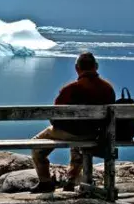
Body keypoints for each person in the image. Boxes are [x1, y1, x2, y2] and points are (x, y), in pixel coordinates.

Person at [30, 52, 116, 193]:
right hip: (95, 134)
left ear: (77, 68)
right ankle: (71, 181)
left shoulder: (70, 89)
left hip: (72, 133)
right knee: (78, 143)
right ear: (96, 66)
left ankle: (45, 182)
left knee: (36, 146)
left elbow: (54, 115)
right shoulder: (108, 89)